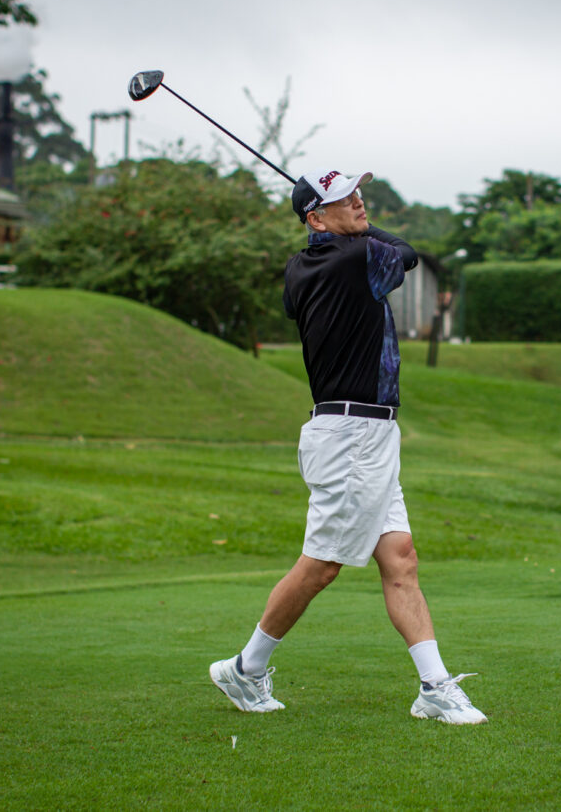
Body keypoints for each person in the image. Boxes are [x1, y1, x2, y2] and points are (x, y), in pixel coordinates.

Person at [209, 169, 487, 725]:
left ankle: (434, 687)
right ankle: (245, 667)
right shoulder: (355, 257)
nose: (360, 203)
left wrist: (343, 222)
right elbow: (407, 253)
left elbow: (355, 256)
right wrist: (364, 231)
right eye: (344, 199)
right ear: (315, 218)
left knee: (400, 557)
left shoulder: (303, 265)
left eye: (359, 194)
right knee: (322, 565)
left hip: (366, 434)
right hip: (351, 436)